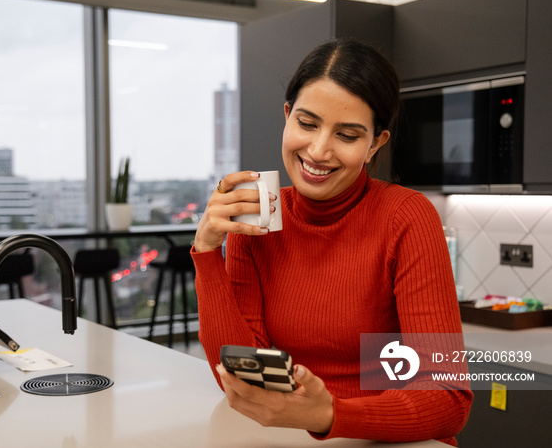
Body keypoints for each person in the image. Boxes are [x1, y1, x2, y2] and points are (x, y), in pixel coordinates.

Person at [191, 38, 472, 445]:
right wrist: (207, 253)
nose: (319, 151)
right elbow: (241, 380)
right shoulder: (261, 220)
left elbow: (448, 400)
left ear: (375, 143)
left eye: (348, 134)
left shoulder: (406, 216)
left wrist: (329, 414)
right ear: (287, 116)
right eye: (307, 124)